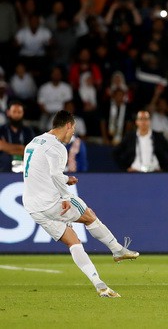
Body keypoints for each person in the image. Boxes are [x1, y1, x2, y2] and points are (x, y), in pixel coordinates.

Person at [22, 110, 140, 298]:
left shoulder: (34, 142)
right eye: (73, 129)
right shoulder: (57, 147)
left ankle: (100, 285)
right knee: (89, 215)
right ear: (67, 125)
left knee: (74, 242)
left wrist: (65, 179)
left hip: (33, 206)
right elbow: (53, 174)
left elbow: (40, 170)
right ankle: (117, 250)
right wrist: (66, 197)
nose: (73, 134)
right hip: (51, 201)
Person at [0, 102, 35, 172]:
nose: (16, 115)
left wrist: (7, 148)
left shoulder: (28, 130)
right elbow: (1, 146)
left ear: (23, 113)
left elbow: (31, 150)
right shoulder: (1, 129)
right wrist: (21, 148)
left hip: (23, 162)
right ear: (8, 112)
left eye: (19, 112)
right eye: (14, 112)